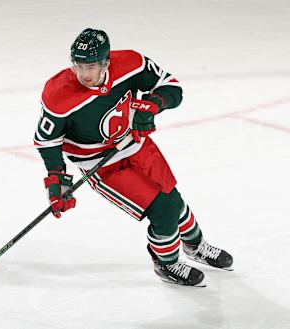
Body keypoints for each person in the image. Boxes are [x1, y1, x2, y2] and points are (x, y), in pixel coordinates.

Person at [33, 28, 233, 287]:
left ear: (106, 62)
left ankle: (195, 247)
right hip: (99, 164)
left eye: (90, 66)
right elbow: (47, 140)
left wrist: (155, 104)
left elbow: (170, 86)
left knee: (173, 199)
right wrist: (57, 177)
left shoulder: (130, 64)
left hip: (135, 144)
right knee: (163, 210)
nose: (83, 74)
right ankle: (167, 264)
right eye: (78, 66)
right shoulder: (58, 93)